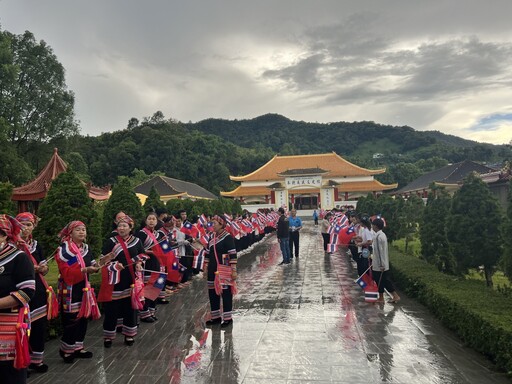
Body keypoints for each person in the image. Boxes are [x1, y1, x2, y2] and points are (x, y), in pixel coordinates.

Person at [98, 215, 145, 348]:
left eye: (125, 226)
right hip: (114, 280)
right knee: (112, 309)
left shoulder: (136, 241)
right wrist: (111, 261)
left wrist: (138, 263)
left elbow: (142, 255)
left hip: (130, 279)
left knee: (130, 308)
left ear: (131, 228)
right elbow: (102, 260)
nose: (122, 228)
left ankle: (129, 334)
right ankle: (108, 336)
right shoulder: (111, 242)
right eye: (119, 226)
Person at [56, 221, 100, 363]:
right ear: (70, 233)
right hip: (70, 288)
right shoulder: (64, 250)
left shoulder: (86, 248)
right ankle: (66, 350)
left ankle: (78, 347)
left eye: (83, 230)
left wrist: (100, 264)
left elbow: (93, 264)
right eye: (78, 230)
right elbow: (66, 270)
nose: (82, 232)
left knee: (83, 317)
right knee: (71, 319)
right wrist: (85, 270)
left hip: (84, 287)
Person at [0, 214, 35, 384]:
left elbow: (27, 292)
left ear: (4, 235)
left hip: (8, 323)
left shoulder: (18, 257)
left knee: (9, 373)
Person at [16, 213, 51, 374]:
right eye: (22, 225)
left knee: (38, 326)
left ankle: (37, 360)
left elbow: (44, 265)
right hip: (20, 291)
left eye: (29, 225)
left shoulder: (37, 245)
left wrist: (43, 268)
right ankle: (23, 361)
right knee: (22, 327)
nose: (25, 229)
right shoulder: (13, 245)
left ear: (33, 226)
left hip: (38, 290)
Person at [203, 215, 237, 328]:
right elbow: (208, 252)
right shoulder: (211, 236)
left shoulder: (227, 237)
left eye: (214, 223)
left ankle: (227, 318)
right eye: (211, 223)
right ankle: (215, 317)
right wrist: (206, 266)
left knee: (226, 293)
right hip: (212, 269)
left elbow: (232, 254)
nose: (212, 225)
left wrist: (234, 270)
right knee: (212, 293)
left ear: (221, 224)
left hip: (225, 268)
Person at [136, 212, 164, 322]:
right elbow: (138, 250)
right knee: (146, 289)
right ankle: (144, 313)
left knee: (155, 288)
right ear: (145, 220)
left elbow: (165, 248)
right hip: (145, 263)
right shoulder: (141, 234)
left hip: (156, 263)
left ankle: (152, 311)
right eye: (149, 218)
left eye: (153, 219)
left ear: (157, 222)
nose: (151, 221)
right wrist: (150, 251)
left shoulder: (159, 235)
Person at [371, 218, 400, 304]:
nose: (372, 226)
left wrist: (381, 265)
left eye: (372, 225)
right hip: (382, 263)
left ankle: (392, 296)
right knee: (383, 280)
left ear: (375, 226)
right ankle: (383, 297)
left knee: (381, 281)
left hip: (379, 265)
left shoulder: (378, 237)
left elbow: (379, 252)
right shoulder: (382, 234)